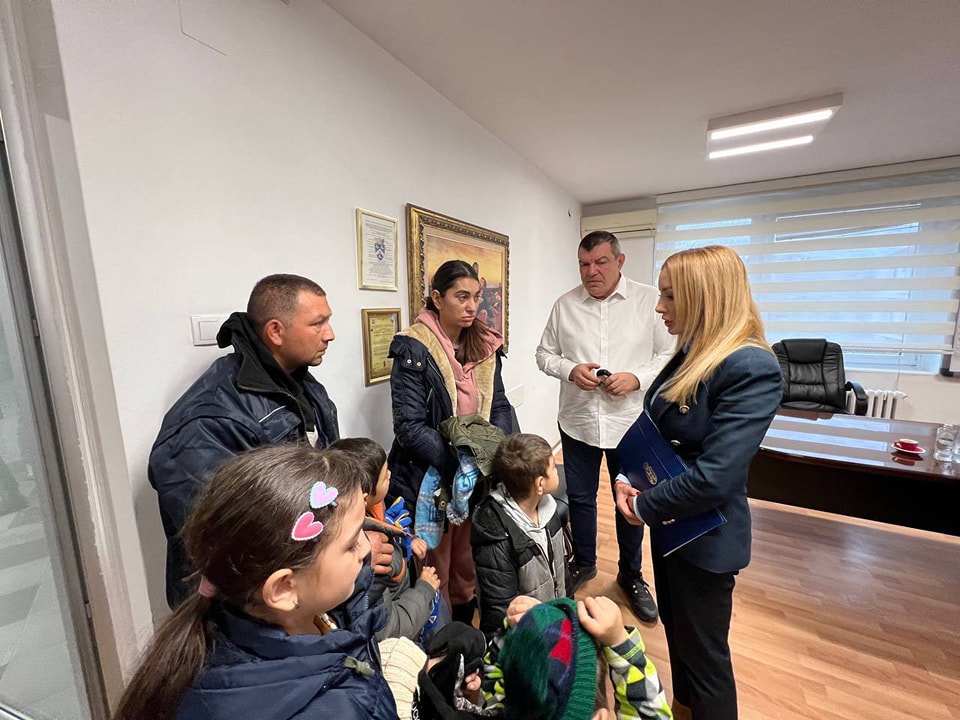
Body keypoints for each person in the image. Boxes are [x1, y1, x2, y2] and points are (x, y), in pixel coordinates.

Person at [613, 245, 782, 720]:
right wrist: (628, 475)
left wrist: (641, 507)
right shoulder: (693, 352)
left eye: (670, 296)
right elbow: (657, 429)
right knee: (680, 636)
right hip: (673, 527)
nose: (659, 307)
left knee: (706, 663)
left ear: (704, 297)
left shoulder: (750, 366)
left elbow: (715, 478)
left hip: (705, 535)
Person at [113, 445, 400, 720]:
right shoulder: (333, 711)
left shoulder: (258, 611)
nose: (366, 548)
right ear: (284, 588)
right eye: (351, 544)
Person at [149, 274, 346, 607]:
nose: (330, 334)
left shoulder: (303, 386)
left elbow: (325, 478)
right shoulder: (210, 418)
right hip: (242, 607)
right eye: (318, 323)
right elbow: (223, 538)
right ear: (275, 332)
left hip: (296, 583)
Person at [536, 231, 674, 622]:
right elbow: (543, 354)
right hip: (577, 421)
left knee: (630, 501)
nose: (591, 271)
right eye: (584, 264)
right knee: (580, 497)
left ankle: (631, 574)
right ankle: (584, 562)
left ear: (620, 261)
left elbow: (670, 354)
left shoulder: (650, 301)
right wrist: (569, 369)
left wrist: (637, 378)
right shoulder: (564, 306)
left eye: (600, 262)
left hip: (630, 424)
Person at [388, 259, 513, 623]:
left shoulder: (484, 346)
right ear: (437, 298)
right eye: (462, 297)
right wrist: (460, 465)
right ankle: (440, 634)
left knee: (467, 556)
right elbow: (409, 427)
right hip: (431, 473)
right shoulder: (414, 347)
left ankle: (464, 623)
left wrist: (493, 455)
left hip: (476, 472)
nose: (472, 306)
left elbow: (499, 405)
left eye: (476, 297)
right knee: (436, 560)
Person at [330, 437, 441, 641]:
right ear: (364, 496)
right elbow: (388, 628)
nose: (390, 475)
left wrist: (407, 542)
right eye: (384, 476)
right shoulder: (369, 554)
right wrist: (424, 590)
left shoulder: (374, 510)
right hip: (404, 628)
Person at [471, 433, 567, 637]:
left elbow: (561, 569)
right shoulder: (496, 540)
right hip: (528, 637)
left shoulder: (549, 509)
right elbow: (499, 613)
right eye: (553, 467)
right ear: (539, 484)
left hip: (554, 621)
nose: (557, 470)